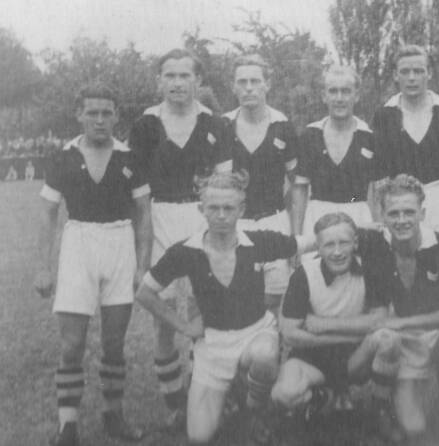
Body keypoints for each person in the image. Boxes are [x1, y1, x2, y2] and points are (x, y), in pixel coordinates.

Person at [135, 170, 312, 445]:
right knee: (199, 436)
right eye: (213, 208)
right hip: (213, 346)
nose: (221, 215)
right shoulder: (186, 251)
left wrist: (365, 231)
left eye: (228, 208)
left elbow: (309, 241)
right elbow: (145, 293)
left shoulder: (257, 242)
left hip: (255, 335)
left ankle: (255, 411)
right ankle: (233, 393)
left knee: (265, 355)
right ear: (201, 209)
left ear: (241, 209)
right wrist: (184, 326)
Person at [34, 84, 151, 445]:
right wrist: (43, 266)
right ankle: (67, 425)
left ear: (116, 116)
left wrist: (142, 266)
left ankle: (113, 416)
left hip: (119, 243)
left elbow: (144, 215)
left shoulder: (131, 157)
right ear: (79, 115)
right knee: (72, 344)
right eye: (92, 113)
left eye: (106, 113)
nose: (100, 120)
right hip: (79, 243)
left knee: (114, 343)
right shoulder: (63, 157)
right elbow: (48, 213)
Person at [128, 49, 232, 427]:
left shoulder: (216, 124)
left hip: (203, 218)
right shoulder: (145, 125)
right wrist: (141, 256)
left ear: (198, 81)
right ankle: (175, 402)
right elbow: (138, 196)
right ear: (159, 81)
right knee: (165, 317)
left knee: (207, 312)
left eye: (184, 75)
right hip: (160, 219)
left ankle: (202, 393)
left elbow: (223, 184)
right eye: (169, 75)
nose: (176, 83)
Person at [356, 174, 439, 445]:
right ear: (381, 216)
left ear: (422, 213)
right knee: (414, 427)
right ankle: (389, 402)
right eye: (393, 213)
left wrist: (401, 323)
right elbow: (335, 232)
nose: (402, 220)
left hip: (436, 336)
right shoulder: (374, 246)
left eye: (409, 212)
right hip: (403, 346)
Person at [271, 212, 400, 440]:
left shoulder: (369, 268)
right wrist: (349, 335)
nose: (337, 252)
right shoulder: (303, 275)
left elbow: (379, 320)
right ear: (318, 248)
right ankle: (322, 398)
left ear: (355, 243)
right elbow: (290, 334)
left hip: (356, 358)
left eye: (344, 243)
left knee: (388, 339)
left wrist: (324, 324)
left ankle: (379, 409)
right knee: (283, 394)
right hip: (312, 358)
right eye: (329, 244)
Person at [223, 54, 300, 311]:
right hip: (235, 222)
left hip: (274, 220)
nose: (248, 88)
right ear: (233, 86)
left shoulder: (283, 126)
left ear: (267, 84)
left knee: (276, 298)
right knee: (235, 296)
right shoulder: (223, 125)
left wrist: (294, 233)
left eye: (255, 81)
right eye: (242, 82)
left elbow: (297, 186)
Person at [293, 65, 381, 261]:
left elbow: (376, 193)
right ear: (324, 96)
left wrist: (380, 233)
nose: (339, 98)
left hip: (358, 216)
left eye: (346, 91)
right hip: (317, 216)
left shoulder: (370, 138)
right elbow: (300, 190)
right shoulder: (310, 135)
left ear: (356, 95)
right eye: (333, 91)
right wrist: (297, 239)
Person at [371, 45, 439, 235]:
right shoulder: (384, 115)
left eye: (418, 71)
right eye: (405, 72)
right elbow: (379, 177)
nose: (411, 78)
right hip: (399, 203)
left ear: (429, 73)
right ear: (395, 75)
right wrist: (380, 219)